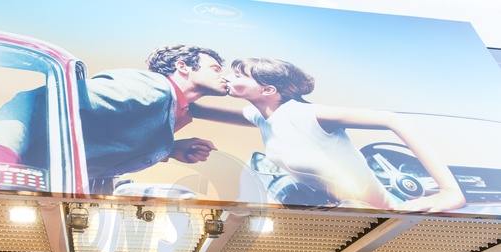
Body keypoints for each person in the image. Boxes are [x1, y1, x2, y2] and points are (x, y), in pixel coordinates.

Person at [195, 57, 465, 212]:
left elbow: (394, 119)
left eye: (239, 75)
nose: (228, 77)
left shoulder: (306, 114)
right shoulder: (260, 116)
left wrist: (449, 191)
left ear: (268, 90)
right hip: (339, 214)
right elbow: (195, 109)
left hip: (383, 213)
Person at [0, 45, 227, 194]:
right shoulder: (152, 88)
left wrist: (171, 149)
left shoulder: (173, 106)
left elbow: (98, 136)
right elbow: (43, 99)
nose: (223, 76)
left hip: (34, 178)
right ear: (182, 67)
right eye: (215, 68)